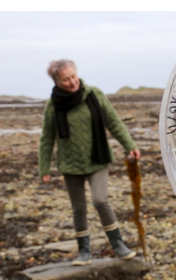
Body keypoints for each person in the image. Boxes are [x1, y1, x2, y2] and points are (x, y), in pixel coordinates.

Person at [38, 59, 141, 265]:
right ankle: (84, 251)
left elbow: (113, 121)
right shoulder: (53, 104)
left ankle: (118, 245)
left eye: (73, 76)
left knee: (100, 200)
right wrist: (44, 167)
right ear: (57, 82)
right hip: (70, 163)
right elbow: (47, 137)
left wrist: (129, 144)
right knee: (78, 208)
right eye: (66, 80)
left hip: (98, 158)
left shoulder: (94, 94)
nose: (72, 82)